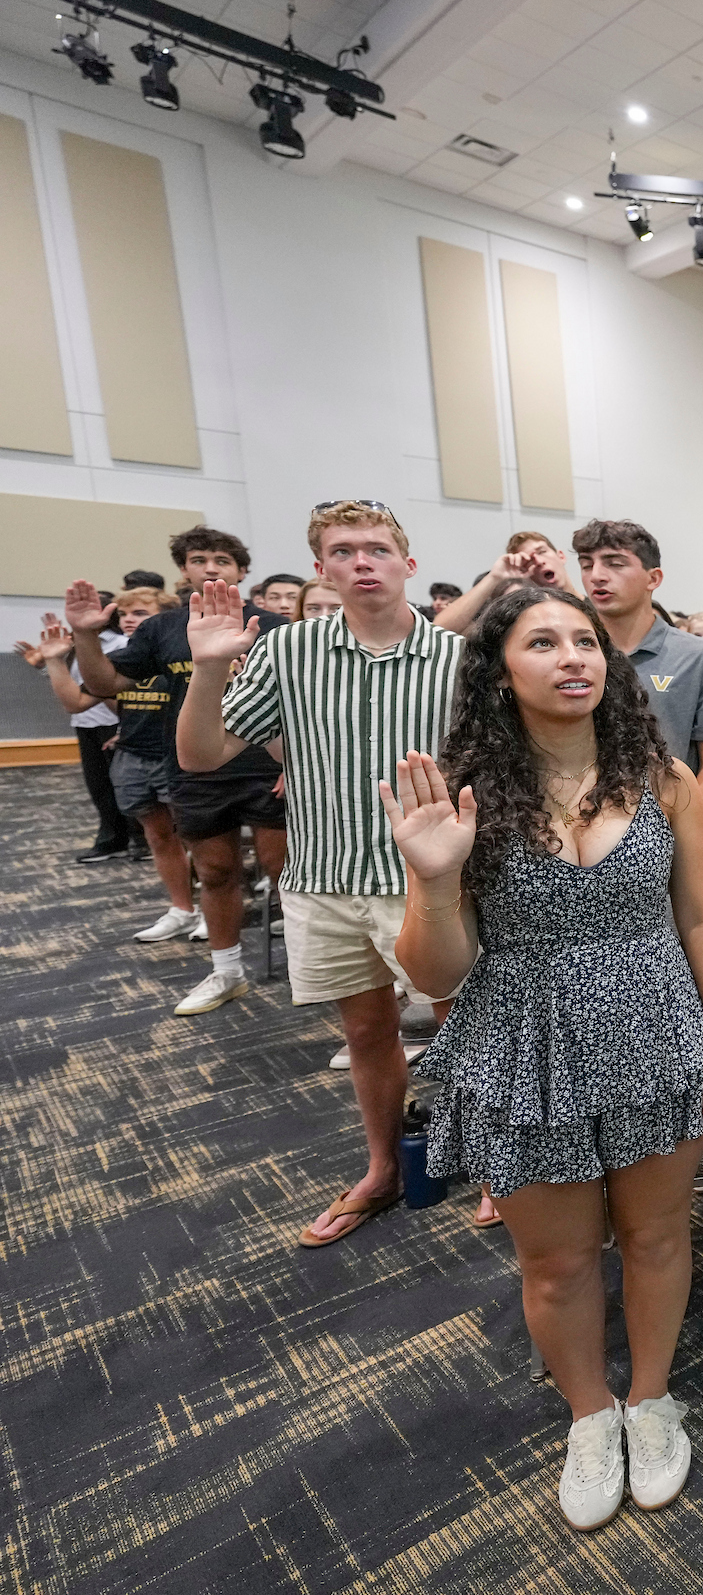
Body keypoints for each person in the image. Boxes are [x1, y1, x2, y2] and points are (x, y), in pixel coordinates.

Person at [381, 584, 703, 1530]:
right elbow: (434, 971)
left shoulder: (661, 777)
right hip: (521, 1046)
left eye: (586, 641)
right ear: (500, 672)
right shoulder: (463, 796)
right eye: (543, 643)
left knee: (658, 1238)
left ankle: (651, 1401)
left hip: (654, 1030)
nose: (573, 657)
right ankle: (589, 1415)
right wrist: (434, 878)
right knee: (557, 1263)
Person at [176, 502, 468, 1247]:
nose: (362, 562)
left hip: (431, 881)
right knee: (366, 1031)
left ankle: (497, 1168)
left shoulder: (460, 657)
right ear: (322, 569)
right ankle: (383, 1168)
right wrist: (207, 669)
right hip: (325, 876)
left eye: (377, 549)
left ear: (407, 563)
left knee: (463, 1026)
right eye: (343, 551)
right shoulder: (287, 651)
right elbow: (201, 755)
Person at [65, 527, 289, 1017]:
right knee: (215, 872)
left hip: (264, 766)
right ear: (183, 569)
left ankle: (312, 964)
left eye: (223, 560)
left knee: (285, 873)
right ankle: (227, 972)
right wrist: (84, 634)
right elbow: (104, 683)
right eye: (199, 559)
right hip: (194, 767)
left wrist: (293, 763)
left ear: (241, 570)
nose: (211, 568)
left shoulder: (276, 627)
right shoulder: (162, 629)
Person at [43, 590, 192, 929]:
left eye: (140, 613)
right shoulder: (121, 662)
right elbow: (76, 703)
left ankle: (209, 908)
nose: (128, 620)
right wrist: (55, 661)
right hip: (134, 755)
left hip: (176, 756)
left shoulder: (180, 655)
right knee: (158, 836)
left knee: (199, 836)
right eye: (123, 614)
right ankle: (183, 909)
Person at [572, 520, 703, 815]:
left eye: (615, 564)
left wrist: (686, 829)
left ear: (653, 578)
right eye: (586, 565)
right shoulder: (571, 656)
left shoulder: (698, 657)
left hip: (667, 817)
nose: (596, 576)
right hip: (579, 821)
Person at [20, 606, 133, 863]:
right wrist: (46, 664)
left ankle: (136, 840)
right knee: (99, 786)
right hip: (86, 721)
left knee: (126, 788)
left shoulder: (121, 644)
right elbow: (73, 685)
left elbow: (114, 688)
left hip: (112, 722)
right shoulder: (75, 644)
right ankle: (113, 839)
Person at [432, 532, 580, 637]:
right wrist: (495, 576)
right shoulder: (526, 618)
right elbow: (438, 631)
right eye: (529, 560)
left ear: (561, 556)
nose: (539, 562)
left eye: (542, 552)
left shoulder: (591, 605)